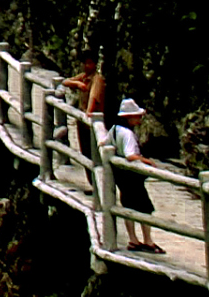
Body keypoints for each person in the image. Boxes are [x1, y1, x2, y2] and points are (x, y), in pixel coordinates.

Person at [108, 99, 164, 254]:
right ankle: (148, 241)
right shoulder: (128, 134)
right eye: (137, 116)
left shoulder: (114, 129)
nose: (139, 120)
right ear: (129, 117)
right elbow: (131, 156)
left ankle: (133, 239)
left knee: (128, 205)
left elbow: (104, 142)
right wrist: (147, 161)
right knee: (145, 207)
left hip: (120, 174)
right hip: (131, 175)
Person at [61, 52, 106, 156]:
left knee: (92, 151)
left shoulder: (97, 79)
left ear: (95, 64)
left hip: (92, 119)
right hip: (81, 118)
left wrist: (89, 111)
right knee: (84, 150)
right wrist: (77, 83)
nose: (86, 66)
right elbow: (65, 82)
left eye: (89, 63)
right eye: (84, 63)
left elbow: (93, 96)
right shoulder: (83, 77)